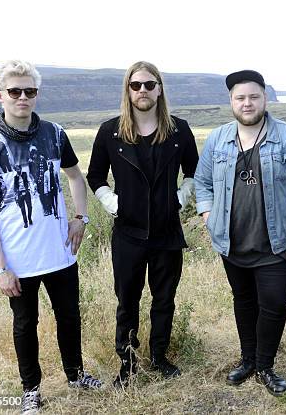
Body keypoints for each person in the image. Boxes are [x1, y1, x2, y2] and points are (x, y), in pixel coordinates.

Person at [0, 60, 101, 415]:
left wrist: (80, 218)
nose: (23, 97)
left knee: (69, 316)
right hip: (18, 259)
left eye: (29, 91)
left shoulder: (55, 133)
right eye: (15, 91)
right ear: (0, 96)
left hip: (60, 251)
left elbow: (75, 177)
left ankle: (76, 375)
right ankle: (31, 390)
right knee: (26, 324)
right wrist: (0, 268)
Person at [194, 70, 286, 396]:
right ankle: (248, 359)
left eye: (253, 96)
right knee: (244, 302)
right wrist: (208, 213)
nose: (247, 103)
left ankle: (265, 366)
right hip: (232, 242)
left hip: (275, 243)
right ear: (231, 101)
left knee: (274, 305)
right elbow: (202, 182)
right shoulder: (218, 139)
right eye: (240, 98)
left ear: (264, 98)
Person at [87, 61, 199, 389]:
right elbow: (95, 175)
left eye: (149, 85)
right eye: (136, 85)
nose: (143, 91)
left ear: (160, 89)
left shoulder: (179, 130)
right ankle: (129, 363)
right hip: (128, 234)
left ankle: (160, 358)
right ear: (128, 90)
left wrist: (181, 198)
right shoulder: (111, 131)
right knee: (128, 300)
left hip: (167, 232)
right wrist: (113, 203)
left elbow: (194, 171)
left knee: (164, 299)